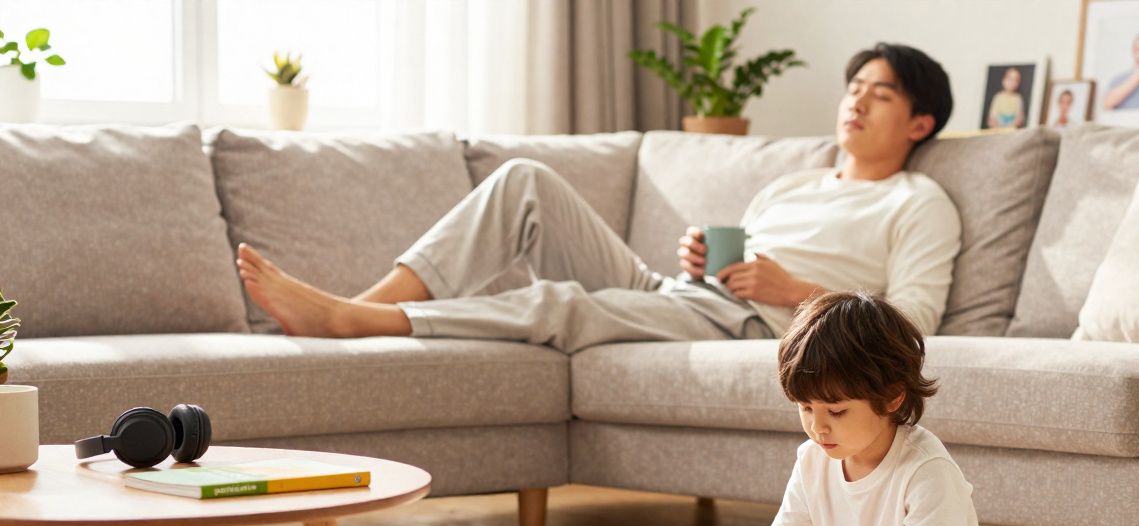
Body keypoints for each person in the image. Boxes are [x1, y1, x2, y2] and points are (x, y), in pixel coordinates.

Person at [234, 43, 961, 354]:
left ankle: (356, 323)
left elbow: (915, 323)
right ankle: (364, 307)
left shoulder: (918, 202)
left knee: (564, 304)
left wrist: (794, 289)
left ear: (920, 122)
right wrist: (706, 258)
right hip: (690, 298)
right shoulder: (794, 183)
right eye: (853, 88)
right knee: (526, 181)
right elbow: (731, 270)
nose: (856, 103)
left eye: (881, 93)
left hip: (750, 327)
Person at [749, 291, 1001, 526]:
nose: (818, 427)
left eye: (836, 410)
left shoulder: (926, 467)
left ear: (892, 398)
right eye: (805, 408)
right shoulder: (812, 459)